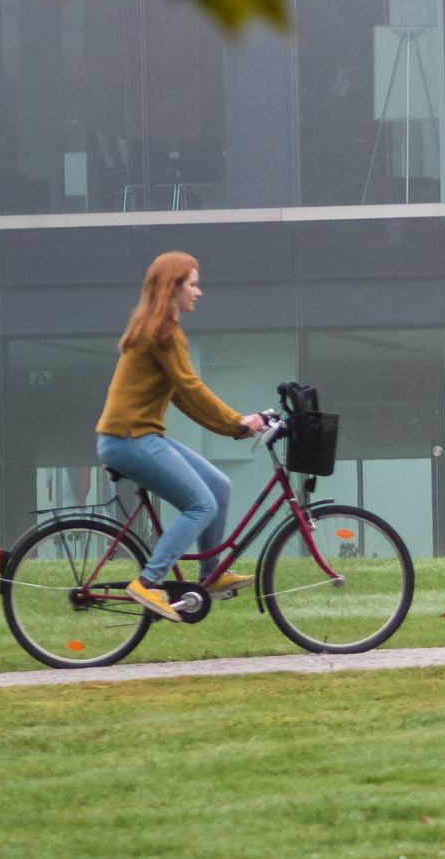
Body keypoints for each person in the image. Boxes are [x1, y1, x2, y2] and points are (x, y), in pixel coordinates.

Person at [95, 252, 269, 621]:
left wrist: (232, 427)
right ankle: (148, 583)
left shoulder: (155, 329)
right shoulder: (163, 333)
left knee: (218, 487)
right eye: (192, 284)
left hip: (136, 436)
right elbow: (191, 389)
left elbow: (183, 397)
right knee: (200, 505)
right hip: (130, 438)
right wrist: (239, 420)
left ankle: (210, 576)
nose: (199, 292)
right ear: (173, 288)